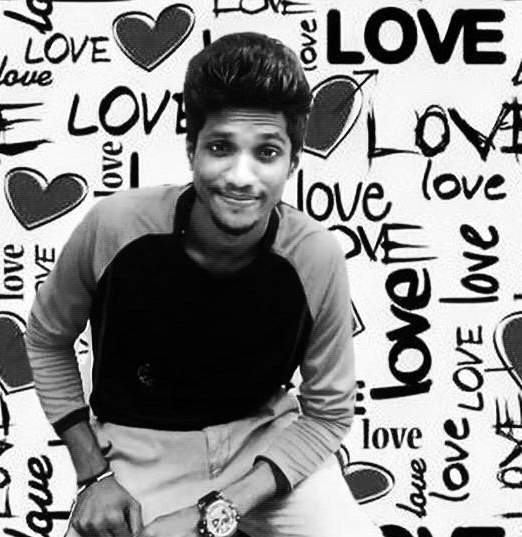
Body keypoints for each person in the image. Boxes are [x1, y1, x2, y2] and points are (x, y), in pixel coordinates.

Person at [24, 32, 382, 537]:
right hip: (141, 448)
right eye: (220, 147)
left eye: (267, 152)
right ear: (192, 149)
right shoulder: (115, 226)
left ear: (293, 162)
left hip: (263, 446)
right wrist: (93, 475)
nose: (241, 176)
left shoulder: (315, 255)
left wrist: (212, 512)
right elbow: (46, 337)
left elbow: (327, 414)